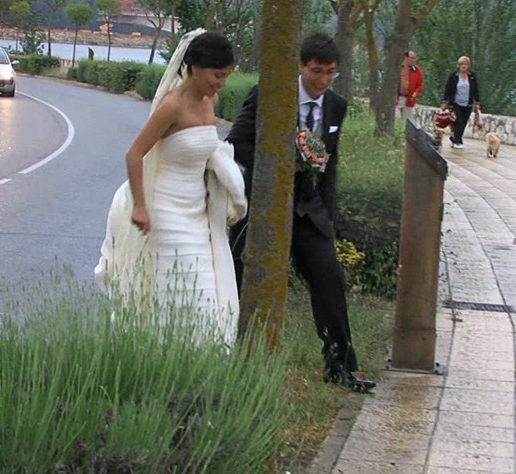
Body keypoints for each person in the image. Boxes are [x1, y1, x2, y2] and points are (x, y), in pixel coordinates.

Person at [227, 33, 375, 392]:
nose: (323, 80)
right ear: (300, 65)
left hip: (311, 212)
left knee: (329, 282)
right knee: (238, 281)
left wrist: (330, 217)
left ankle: (339, 365)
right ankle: (231, 359)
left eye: (330, 73)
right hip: (264, 211)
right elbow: (237, 143)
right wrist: (285, 160)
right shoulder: (270, 94)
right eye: (316, 71)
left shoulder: (336, 105)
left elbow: (331, 165)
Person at [94, 30, 247, 347]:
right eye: (217, 75)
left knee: (205, 292)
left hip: (197, 213)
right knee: (171, 293)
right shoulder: (172, 106)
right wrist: (139, 206)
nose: (221, 83)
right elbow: (135, 154)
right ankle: (158, 359)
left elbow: (207, 151)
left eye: (226, 76)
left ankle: (202, 366)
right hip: (165, 213)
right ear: (195, 67)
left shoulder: (211, 102)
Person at [442, 55, 480, 149]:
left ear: (468, 65)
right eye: (462, 64)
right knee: (458, 121)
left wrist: (477, 102)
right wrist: (444, 101)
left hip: (468, 103)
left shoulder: (472, 76)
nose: (464, 66)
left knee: (463, 123)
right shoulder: (454, 76)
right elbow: (448, 89)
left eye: (466, 64)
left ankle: (454, 138)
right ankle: (458, 141)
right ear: (459, 65)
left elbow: (475, 90)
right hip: (455, 103)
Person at [396, 50, 423, 123]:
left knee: (407, 121)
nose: (413, 60)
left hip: (409, 99)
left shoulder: (417, 71)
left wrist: (416, 93)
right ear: (406, 57)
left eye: (414, 58)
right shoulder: (399, 68)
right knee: (397, 118)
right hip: (398, 98)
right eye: (411, 58)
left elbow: (419, 85)